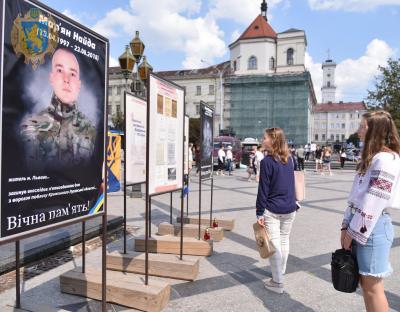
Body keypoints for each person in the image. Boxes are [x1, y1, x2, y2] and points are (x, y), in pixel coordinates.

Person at [341, 111, 400, 312]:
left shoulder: (386, 159)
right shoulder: (373, 157)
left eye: (362, 127)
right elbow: (355, 197)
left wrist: (351, 231)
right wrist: (345, 226)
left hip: (371, 227)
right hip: (362, 224)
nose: (358, 130)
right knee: (366, 286)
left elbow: (374, 201)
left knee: (373, 287)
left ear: (375, 130)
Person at [20, 48, 95, 167]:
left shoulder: (90, 128)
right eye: (60, 70)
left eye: (72, 74)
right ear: (51, 78)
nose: (67, 79)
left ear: (79, 85)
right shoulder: (30, 126)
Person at [256, 127, 297, 294]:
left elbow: (263, 189)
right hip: (289, 208)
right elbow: (290, 184)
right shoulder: (290, 159)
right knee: (284, 240)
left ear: (272, 140)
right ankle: (281, 271)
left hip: (272, 209)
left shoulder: (267, 162)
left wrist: (259, 212)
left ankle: (278, 282)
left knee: (274, 244)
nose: (262, 140)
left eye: (265, 137)